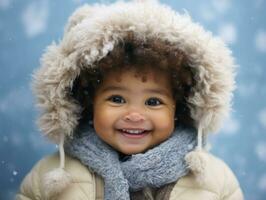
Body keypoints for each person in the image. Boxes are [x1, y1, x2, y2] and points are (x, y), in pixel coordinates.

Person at [16, 0, 244, 199]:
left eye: (153, 102)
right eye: (117, 98)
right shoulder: (52, 177)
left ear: (179, 107)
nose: (134, 115)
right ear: (89, 102)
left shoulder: (213, 181)